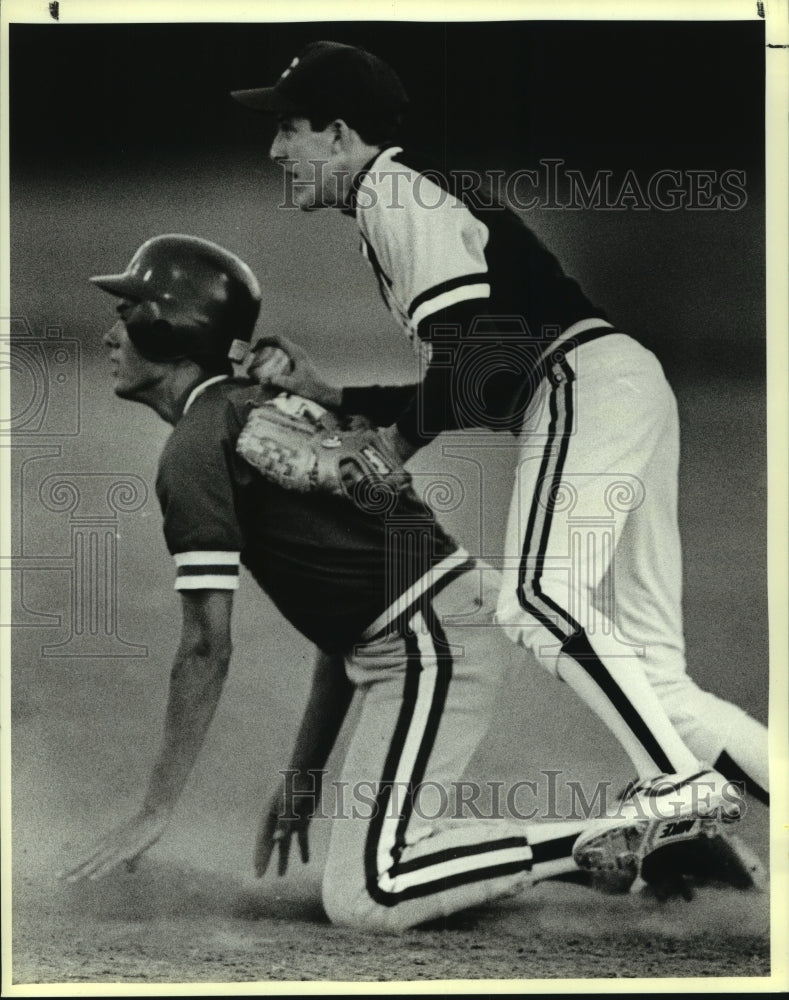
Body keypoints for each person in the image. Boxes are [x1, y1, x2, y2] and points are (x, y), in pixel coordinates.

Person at [61, 234, 752, 931]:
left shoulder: (197, 447)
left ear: (168, 326)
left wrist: (154, 808)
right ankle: (637, 846)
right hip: (429, 632)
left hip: (432, 639)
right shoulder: (256, 411)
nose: (110, 333)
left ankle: (615, 842)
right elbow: (343, 624)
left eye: (128, 311)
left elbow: (205, 649)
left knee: (374, 892)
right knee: (370, 880)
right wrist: (306, 775)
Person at [230, 40, 769, 811]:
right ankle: (685, 769)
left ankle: (678, 784)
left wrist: (395, 442)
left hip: (583, 386)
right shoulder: (397, 199)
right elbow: (481, 377)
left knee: (539, 601)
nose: (275, 148)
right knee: (653, 679)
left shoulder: (395, 195)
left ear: (341, 134)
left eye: (289, 127)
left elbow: (483, 360)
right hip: (609, 386)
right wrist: (342, 395)